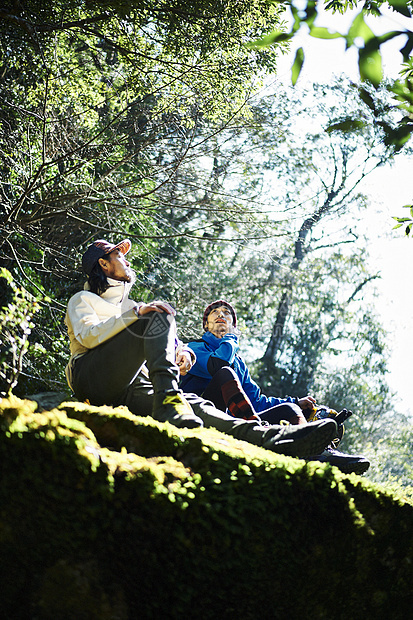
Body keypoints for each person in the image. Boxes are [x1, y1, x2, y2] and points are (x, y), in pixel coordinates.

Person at [64, 239, 339, 460]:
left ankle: (275, 440)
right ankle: (169, 404)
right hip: (92, 377)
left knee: (199, 409)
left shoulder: (131, 308)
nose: (127, 260)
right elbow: (89, 337)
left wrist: (185, 353)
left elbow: (172, 342)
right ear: (104, 264)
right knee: (157, 314)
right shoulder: (83, 300)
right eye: (119, 257)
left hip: (134, 387)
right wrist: (138, 313)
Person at [180, 300, 370, 474]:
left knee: (291, 409)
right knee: (225, 374)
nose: (221, 314)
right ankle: (257, 431)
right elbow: (219, 364)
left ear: (233, 325)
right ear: (206, 324)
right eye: (214, 312)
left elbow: (257, 401)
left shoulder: (238, 363)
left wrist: (296, 402)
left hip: (239, 421)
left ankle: (317, 452)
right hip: (202, 414)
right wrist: (230, 339)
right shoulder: (195, 348)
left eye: (226, 313)